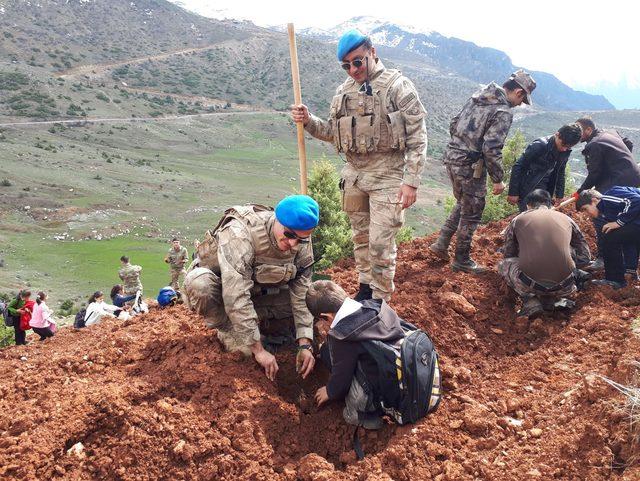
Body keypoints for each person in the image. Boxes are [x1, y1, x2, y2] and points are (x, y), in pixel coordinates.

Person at [291, 29, 428, 302]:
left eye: (357, 61)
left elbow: (418, 134)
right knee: (361, 240)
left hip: (387, 176)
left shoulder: (397, 86)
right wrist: (308, 121)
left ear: (372, 53)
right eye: (346, 65)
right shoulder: (344, 92)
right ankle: (366, 288)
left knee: (380, 244)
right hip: (354, 176)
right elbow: (333, 131)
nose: (353, 69)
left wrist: (411, 180)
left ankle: (381, 301)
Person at [184, 195, 319, 381]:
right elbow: (235, 295)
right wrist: (258, 350)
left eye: (301, 239)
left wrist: (305, 342)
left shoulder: (300, 237)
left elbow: (302, 289)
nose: (293, 244)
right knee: (200, 285)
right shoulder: (239, 234)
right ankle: (228, 329)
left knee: (317, 297)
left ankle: (264, 323)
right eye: (289, 235)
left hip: (260, 293)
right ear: (276, 220)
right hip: (225, 293)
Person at [429, 70, 537, 273]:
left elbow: (454, 123)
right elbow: (491, 147)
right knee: (472, 212)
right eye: (522, 100)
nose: (520, 104)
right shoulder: (503, 111)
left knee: (464, 203)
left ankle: (441, 243)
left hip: (452, 157)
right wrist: (498, 179)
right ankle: (461, 259)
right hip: (470, 165)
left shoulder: (478, 97)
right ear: (519, 93)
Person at [305, 280, 441, 429]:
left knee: (348, 376)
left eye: (321, 321)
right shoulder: (375, 305)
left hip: (398, 395)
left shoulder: (342, 337)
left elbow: (341, 379)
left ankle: (363, 417)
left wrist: (330, 391)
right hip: (411, 374)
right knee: (330, 351)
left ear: (326, 316)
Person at [498, 189, 591, 318]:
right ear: (549, 204)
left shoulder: (518, 219)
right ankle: (554, 299)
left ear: (528, 205)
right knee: (569, 252)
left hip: (528, 285)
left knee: (504, 264)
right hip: (565, 286)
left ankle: (530, 301)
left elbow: (509, 253)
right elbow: (585, 256)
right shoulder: (568, 220)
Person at [575, 117, 640, 272]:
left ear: (589, 130)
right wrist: (619, 163)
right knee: (622, 212)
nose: (577, 135)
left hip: (618, 180)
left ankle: (603, 258)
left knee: (600, 216)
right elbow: (628, 143)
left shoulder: (594, 144)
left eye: (580, 132)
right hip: (633, 176)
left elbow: (594, 174)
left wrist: (580, 192)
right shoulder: (610, 132)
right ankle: (627, 259)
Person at [507, 124, 583, 212]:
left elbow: (560, 172)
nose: (564, 149)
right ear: (557, 134)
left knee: (543, 215)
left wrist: (559, 195)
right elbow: (518, 166)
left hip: (546, 191)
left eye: (568, 147)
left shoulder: (565, 151)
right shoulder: (540, 145)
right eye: (563, 145)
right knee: (529, 216)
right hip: (528, 189)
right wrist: (513, 192)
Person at [576, 187, 640, 289]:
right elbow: (629, 240)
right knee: (618, 236)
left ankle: (614, 279)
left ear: (594, 200)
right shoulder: (609, 213)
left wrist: (618, 222)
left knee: (609, 236)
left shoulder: (609, 196)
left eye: (585, 209)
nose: (587, 214)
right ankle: (630, 273)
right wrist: (630, 269)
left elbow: (637, 201)